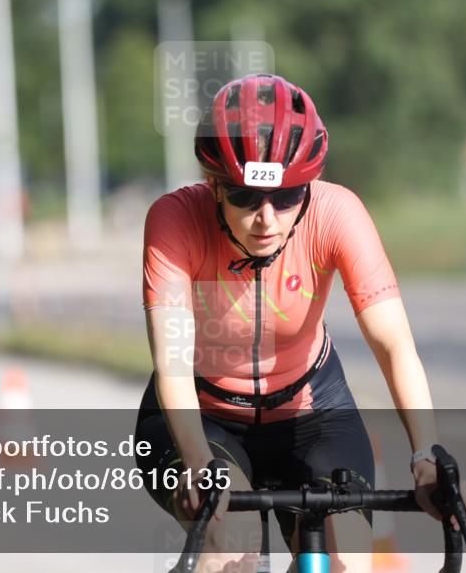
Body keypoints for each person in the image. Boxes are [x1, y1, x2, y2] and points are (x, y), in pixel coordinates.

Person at [134, 74, 446, 573]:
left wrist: (426, 455)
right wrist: (196, 464)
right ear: (213, 184)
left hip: (311, 410)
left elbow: (394, 345)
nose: (266, 219)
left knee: (348, 555)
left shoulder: (337, 213)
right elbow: (171, 363)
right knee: (227, 544)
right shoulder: (174, 220)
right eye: (244, 197)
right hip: (203, 416)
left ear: (310, 186)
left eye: (285, 198)